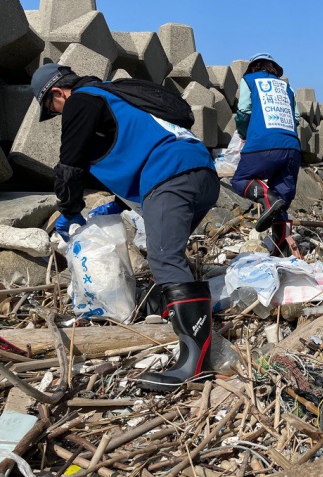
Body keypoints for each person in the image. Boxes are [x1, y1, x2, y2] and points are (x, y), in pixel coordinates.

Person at [31, 63, 220, 391]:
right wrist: (118, 205)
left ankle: (195, 363)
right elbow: (135, 147)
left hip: (170, 173)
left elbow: (69, 167)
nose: (59, 113)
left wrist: (70, 211)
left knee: (163, 258)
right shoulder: (112, 97)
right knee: (168, 253)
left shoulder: (81, 100)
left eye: (53, 108)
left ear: (57, 93)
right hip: (201, 172)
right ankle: (171, 311)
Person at [230, 53, 301, 257]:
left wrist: (244, 134)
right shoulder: (287, 87)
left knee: (240, 180)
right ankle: (282, 249)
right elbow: (296, 117)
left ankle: (266, 199)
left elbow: (243, 111)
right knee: (281, 201)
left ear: (253, 67)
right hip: (292, 148)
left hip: (262, 144)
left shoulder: (249, 80)